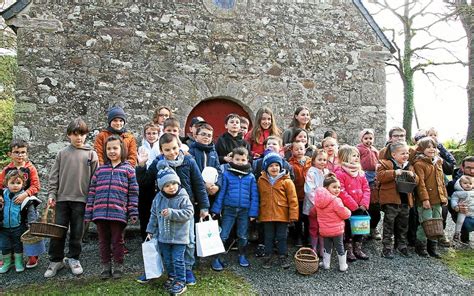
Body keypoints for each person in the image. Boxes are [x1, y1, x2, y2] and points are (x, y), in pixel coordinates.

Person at [136, 133, 209, 285]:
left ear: (179, 146)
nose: (172, 152)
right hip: (163, 207)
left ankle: (187, 270)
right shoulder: (157, 162)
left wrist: (204, 206)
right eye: (167, 149)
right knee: (160, 239)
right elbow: (145, 182)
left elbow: (198, 184)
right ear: (161, 150)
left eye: (174, 148)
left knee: (188, 241)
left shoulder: (189, 160)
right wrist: (141, 166)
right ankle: (157, 269)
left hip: (184, 208)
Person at [44, 118, 98, 278]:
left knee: (77, 232)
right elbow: (54, 176)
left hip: (82, 201)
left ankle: (74, 258)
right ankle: (56, 260)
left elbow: (96, 179)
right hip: (61, 200)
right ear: (69, 135)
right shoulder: (62, 154)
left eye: (82, 134)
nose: (79, 137)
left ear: (86, 135)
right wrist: (52, 194)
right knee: (58, 231)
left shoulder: (92, 154)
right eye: (75, 134)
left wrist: (93, 199)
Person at [85, 135, 139, 279]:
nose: (112, 151)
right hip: (100, 212)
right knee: (103, 241)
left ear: (122, 149)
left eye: (115, 148)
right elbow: (92, 192)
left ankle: (118, 266)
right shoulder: (100, 170)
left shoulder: (129, 170)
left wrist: (133, 211)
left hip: (118, 213)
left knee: (117, 241)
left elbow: (133, 193)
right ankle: (105, 267)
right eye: (109, 148)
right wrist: (89, 212)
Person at [146, 165, 194, 295]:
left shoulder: (183, 197)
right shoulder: (158, 199)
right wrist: (150, 230)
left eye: (173, 183)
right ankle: (172, 277)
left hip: (180, 237)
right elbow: (154, 215)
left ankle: (181, 281)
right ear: (161, 187)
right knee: (167, 259)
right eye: (167, 185)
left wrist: (172, 213)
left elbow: (189, 212)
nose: (171, 187)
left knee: (178, 259)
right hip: (164, 237)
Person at [210, 147, 259, 271]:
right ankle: (217, 257)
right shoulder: (227, 174)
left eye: (243, 160)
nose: (240, 162)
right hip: (229, 209)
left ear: (247, 160)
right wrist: (216, 209)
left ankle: (242, 255)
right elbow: (221, 193)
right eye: (237, 159)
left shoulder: (251, 176)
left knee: (243, 235)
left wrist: (253, 212)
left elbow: (254, 196)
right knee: (224, 234)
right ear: (232, 159)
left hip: (245, 211)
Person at [0, 139, 41, 268]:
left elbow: (36, 186)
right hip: (10, 203)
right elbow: (0, 185)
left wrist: (25, 194)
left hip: (27, 204)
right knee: (8, 228)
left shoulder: (30, 168)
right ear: (10, 154)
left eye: (23, 152)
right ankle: (9, 256)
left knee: (30, 227)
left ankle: (32, 255)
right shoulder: (7, 170)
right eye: (16, 152)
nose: (20, 155)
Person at [376, 142, 418, 259]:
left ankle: (401, 245)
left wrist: (413, 176)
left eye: (407, 153)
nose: (405, 155)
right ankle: (387, 248)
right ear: (394, 155)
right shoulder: (386, 163)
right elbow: (380, 176)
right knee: (389, 224)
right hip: (391, 201)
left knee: (403, 225)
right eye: (402, 153)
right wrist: (394, 173)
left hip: (405, 200)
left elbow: (417, 181)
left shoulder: (409, 165)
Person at [258, 152, 298, 269]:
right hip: (267, 214)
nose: (274, 168)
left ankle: (282, 257)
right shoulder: (261, 180)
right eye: (271, 166)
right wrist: (257, 213)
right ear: (266, 168)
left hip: (282, 215)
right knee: (268, 237)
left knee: (281, 237)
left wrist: (293, 216)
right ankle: (268, 257)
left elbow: (293, 200)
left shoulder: (287, 181)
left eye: (276, 165)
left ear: (281, 167)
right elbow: (258, 198)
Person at [412, 137, 448, 258]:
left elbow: (441, 181)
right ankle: (420, 247)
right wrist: (425, 199)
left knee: (437, 223)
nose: (431, 149)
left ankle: (433, 247)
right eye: (428, 147)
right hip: (425, 200)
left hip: (438, 199)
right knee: (425, 223)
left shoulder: (438, 162)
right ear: (422, 149)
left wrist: (444, 197)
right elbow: (420, 183)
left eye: (433, 146)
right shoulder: (419, 163)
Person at [334, 145, 370, 262]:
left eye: (357, 156)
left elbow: (366, 188)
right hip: (348, 207)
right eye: (353, 156)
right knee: (348, 228)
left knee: (360, 227)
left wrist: (364, 203)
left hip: (361, 206)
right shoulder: (340, 173)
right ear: (345, 157)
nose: (356, 158)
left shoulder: (360, 172)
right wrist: (353, 205)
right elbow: (342, 191)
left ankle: (358, 248)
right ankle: (348, 249)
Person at [310, 173, 351, 272]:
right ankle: (342, 265)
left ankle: (326, 264)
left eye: (338, 187)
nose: (337, 189)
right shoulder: (336, 201)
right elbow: (344, 214)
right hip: (337, 231)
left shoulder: (318, 201)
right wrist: (349, 211)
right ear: (326, 188)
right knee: (339, 247)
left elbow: (312, 213)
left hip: (324, 230)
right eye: (334, 187)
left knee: (327, 247)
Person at [137, 123, 161, 241]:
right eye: (148, 133)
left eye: (154, 133)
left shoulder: (160, 148)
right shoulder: (141, 148)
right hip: (145, 181)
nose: (151, 136)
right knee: (145, 212)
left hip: (158, 181)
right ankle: (145, 238)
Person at [356, 129, 381, 240]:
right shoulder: (358, 149)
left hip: (373, 176)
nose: (368, 141)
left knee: (374, 205)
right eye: (366, 138)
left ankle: (373, 228)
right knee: (362, 204)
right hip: (362, 175)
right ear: (361, 139)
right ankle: (360, 230)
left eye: (370, 138)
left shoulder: (375, 150)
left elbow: (378, 161)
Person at [188, 123, 222, 202]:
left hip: (211, 192)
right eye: (203, 134)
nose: (206, 137)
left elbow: (218, 170)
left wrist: (217, 186)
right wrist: (204, 184)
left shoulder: (213, 152)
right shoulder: (191, 151)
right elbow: (192, 172)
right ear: (196, 137)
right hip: (196, 192)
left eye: (209, 135)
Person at [304, 149, 329, 256]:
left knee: (323, 227)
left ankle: (322, 247)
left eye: (324, 159)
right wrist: (318, 203)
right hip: (313, 205)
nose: (322, 162)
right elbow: (310, 190)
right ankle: (314, 246)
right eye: (319, 159)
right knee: (314, 226)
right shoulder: (311, 172)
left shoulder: (327, 172)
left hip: (325, 205)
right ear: (314, 160)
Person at [288, 142, 312, 247]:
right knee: (298, 217)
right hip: (297, 194)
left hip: (309, 195)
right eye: (296, 149)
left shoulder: (310, 162)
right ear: (292, 151)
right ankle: (298, 237)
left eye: (301, 149)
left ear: (305, 150)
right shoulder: (290, 164)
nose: (299, 151)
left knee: (308, 217)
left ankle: (308, 236)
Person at [447, 156, 474, 244]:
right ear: (462, 168)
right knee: (464, 222)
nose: (472, 171)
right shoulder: (454, 184)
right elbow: (449, 199)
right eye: (468, 168)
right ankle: (462, 236)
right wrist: (456, 207)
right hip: (463, 213)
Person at [450, 175, 474, 243]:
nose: (468, 185)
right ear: (460, 184)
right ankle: (457, 233)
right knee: (460, 221)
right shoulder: (458, 193)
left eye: (470, 184)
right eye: (465, 183)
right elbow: (453, 200)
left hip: (473, 211)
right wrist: (455, 206)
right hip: (463, 211)